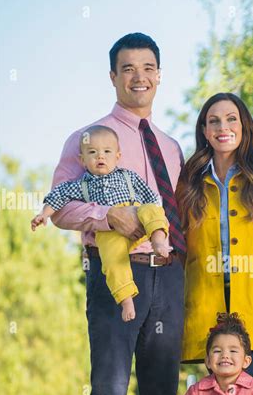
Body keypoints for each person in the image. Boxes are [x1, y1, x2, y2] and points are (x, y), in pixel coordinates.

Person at [50, 32, 185, 395]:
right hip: (113, 277)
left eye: (148, 67)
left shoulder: (171, 146)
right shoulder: (88, 138)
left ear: (159, 75)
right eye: (128, 68)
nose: (139, 77)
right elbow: (61, 205)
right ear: (113, 76)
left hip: (168, 276)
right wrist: (108, 215)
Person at [176, 92, 253, 376]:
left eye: (231, 119)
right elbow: (174, 238)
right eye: (213, 121)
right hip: (204, 298)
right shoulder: (189, 180)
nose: (222, 128)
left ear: (245, 126)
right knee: (214, 393)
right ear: (204, 131)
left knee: (244, 390)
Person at [31, 125, 171, 321]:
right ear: (82, 160)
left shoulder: (128, 176)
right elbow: (58, 195)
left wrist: (153, 218)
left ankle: (159, 240)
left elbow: (152, 197)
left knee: (152, 209)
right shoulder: (81, 185)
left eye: (107, 152)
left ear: (117, 156)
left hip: (139, 219)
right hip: (109, 232)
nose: (100, 157)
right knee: (112, 261)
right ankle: (126, 298)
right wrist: (43, 214)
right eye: (92, 153)